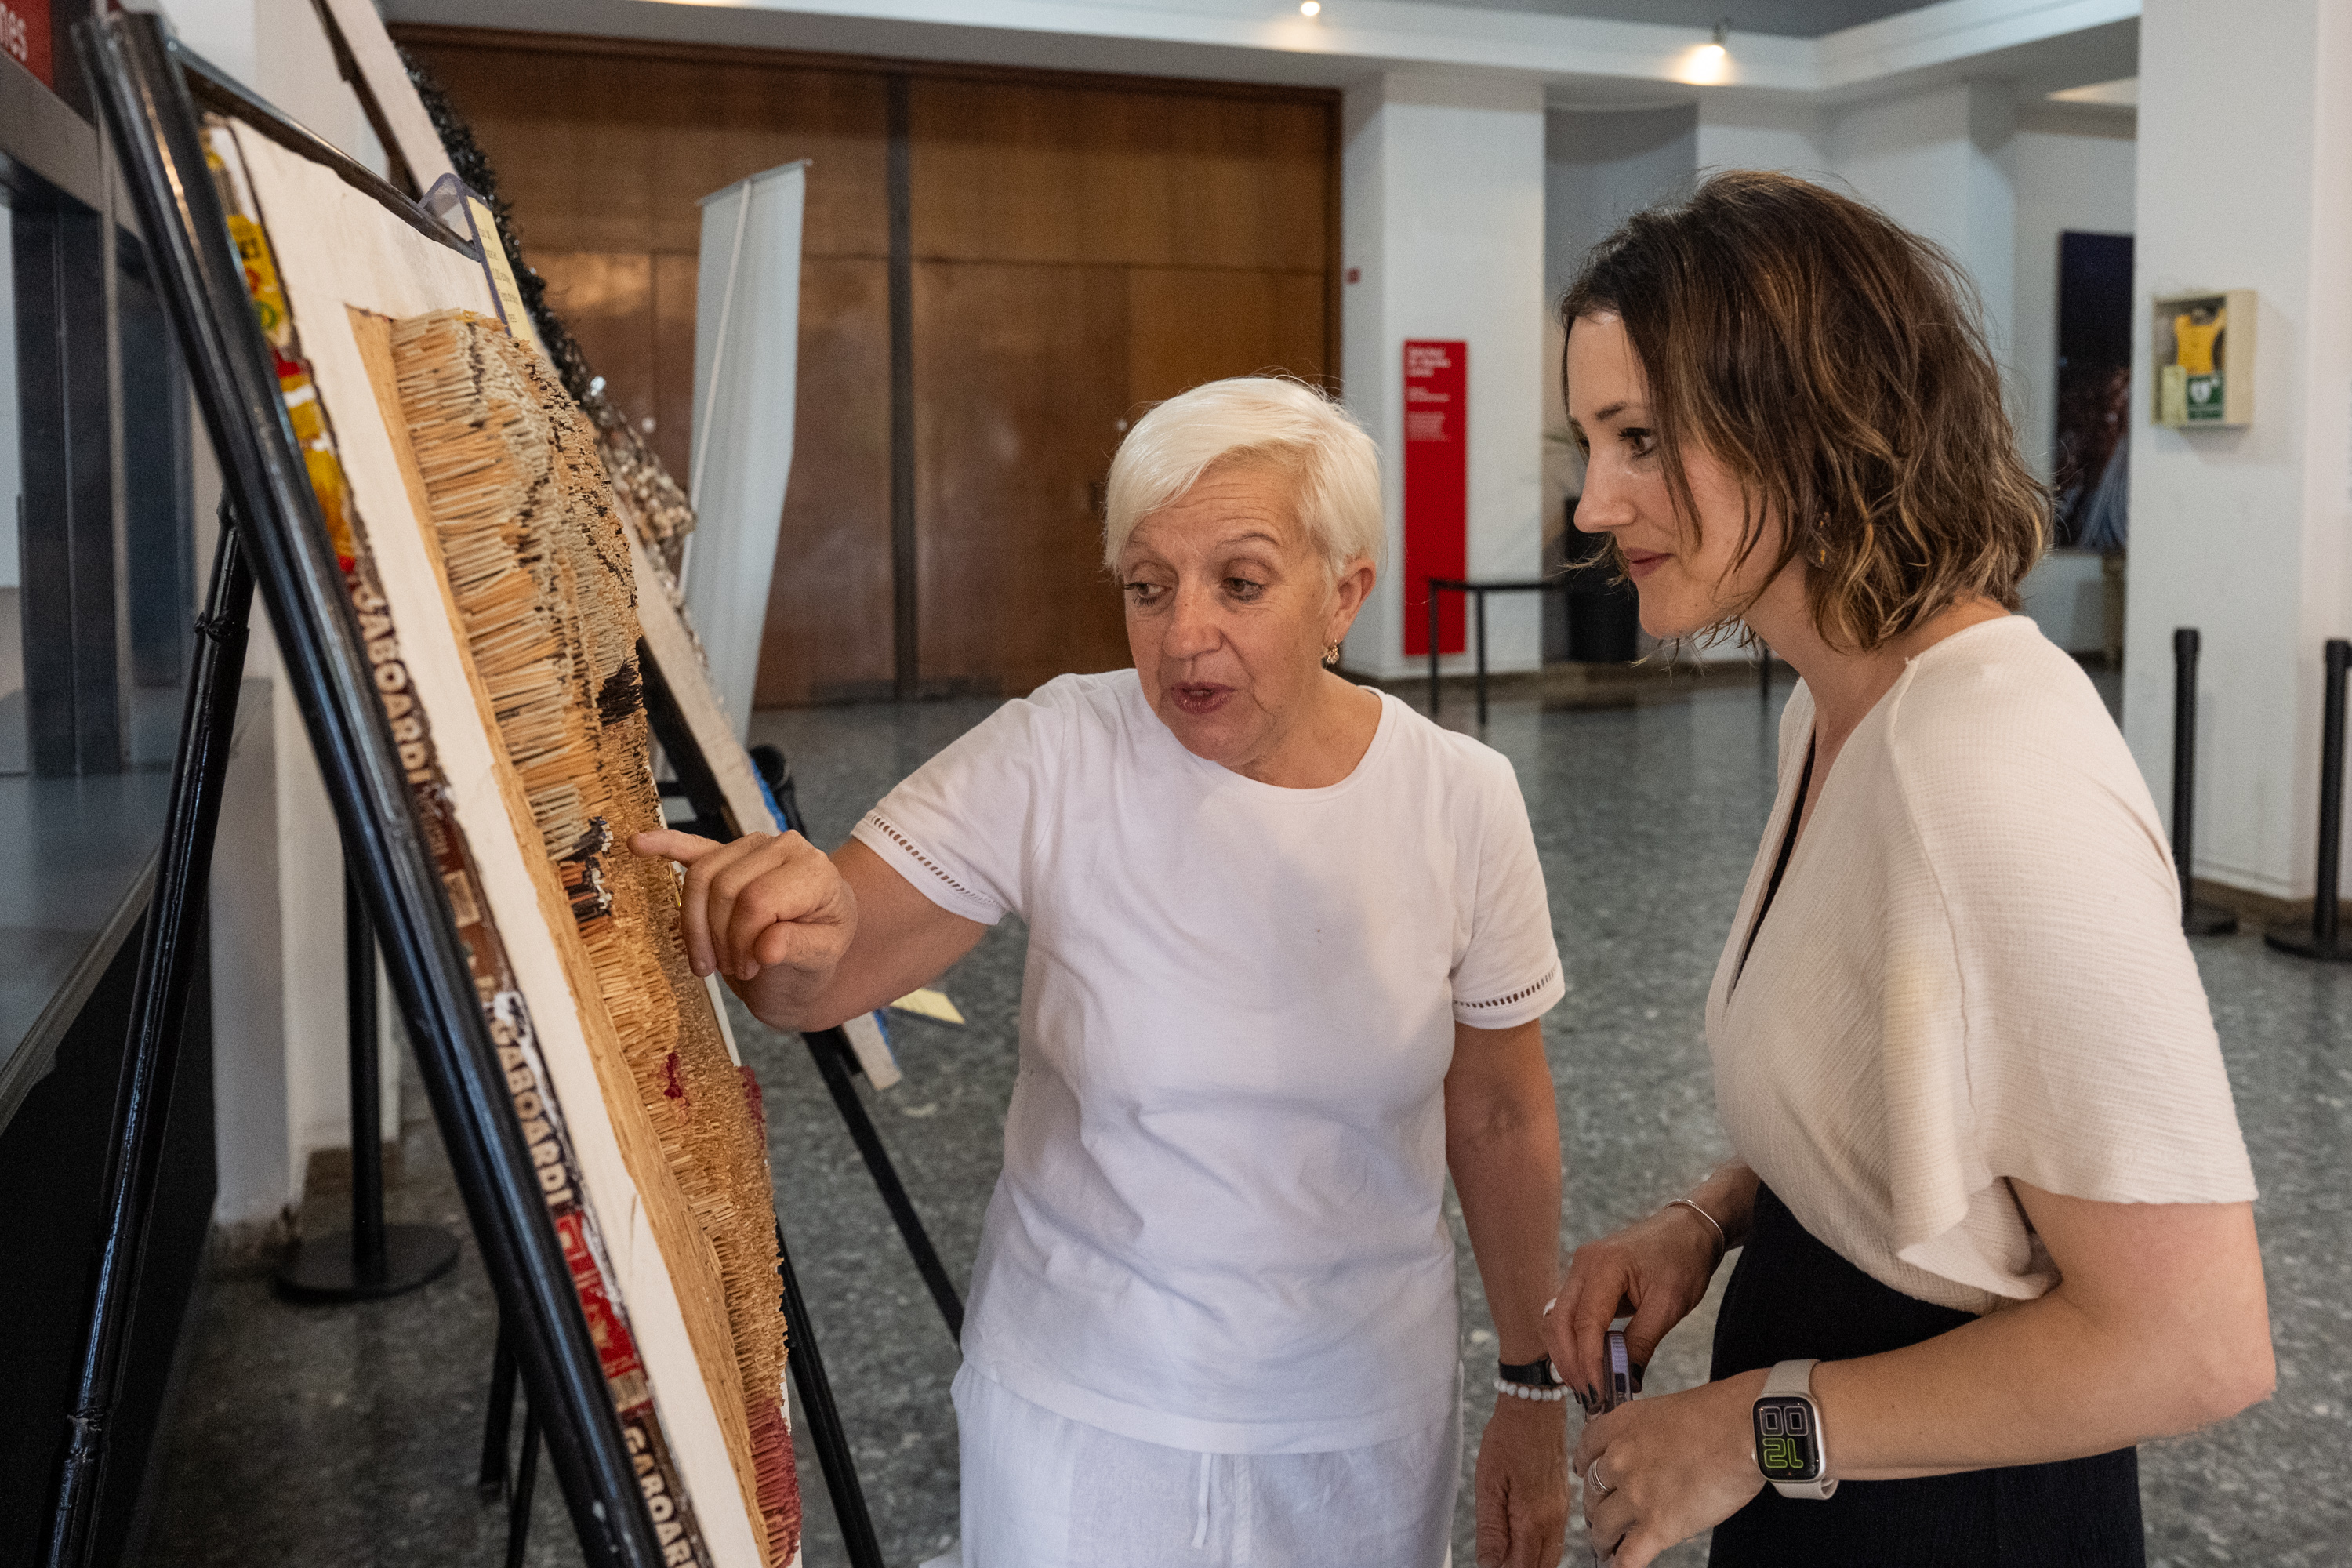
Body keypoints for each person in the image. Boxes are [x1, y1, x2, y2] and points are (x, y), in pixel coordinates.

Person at [638, 378, 1572, 1567]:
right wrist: (785, 933)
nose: (1184, 635)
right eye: (1147, 585)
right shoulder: (1059, 750)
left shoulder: (1458, 799)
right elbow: (823, 974)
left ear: (1346, 591)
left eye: (1240, 582)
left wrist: (1534, 1387)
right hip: (1083, 1408)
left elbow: (1498, 1114)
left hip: (1355, 1421)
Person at [1542, 171, 2273, 1568]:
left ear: (1806, 421)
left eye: (1640, 438)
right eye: (1588, 441)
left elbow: (2196, 1340)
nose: (1592, 503)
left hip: (1956, 1501)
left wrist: (1751, 1428)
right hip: (1843, 1451)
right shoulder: (1834, 705)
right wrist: (1711, 1217)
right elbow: (1924, 1109)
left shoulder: (1990, 772)